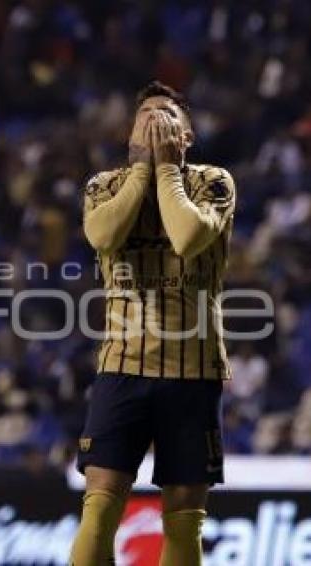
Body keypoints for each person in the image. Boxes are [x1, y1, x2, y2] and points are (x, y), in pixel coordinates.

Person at [70, 81, 236, 566]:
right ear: (129, 134)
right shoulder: (103, 185)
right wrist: (144, 169)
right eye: (145, 115)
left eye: (166, 115)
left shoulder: (214, 182)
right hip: (123, 367)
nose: (155, 122)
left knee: (183, 519)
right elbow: (103, 235)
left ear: (188, 134)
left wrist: (165, 168)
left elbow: (186, 238)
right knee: (99, 510)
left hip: (194, 372)